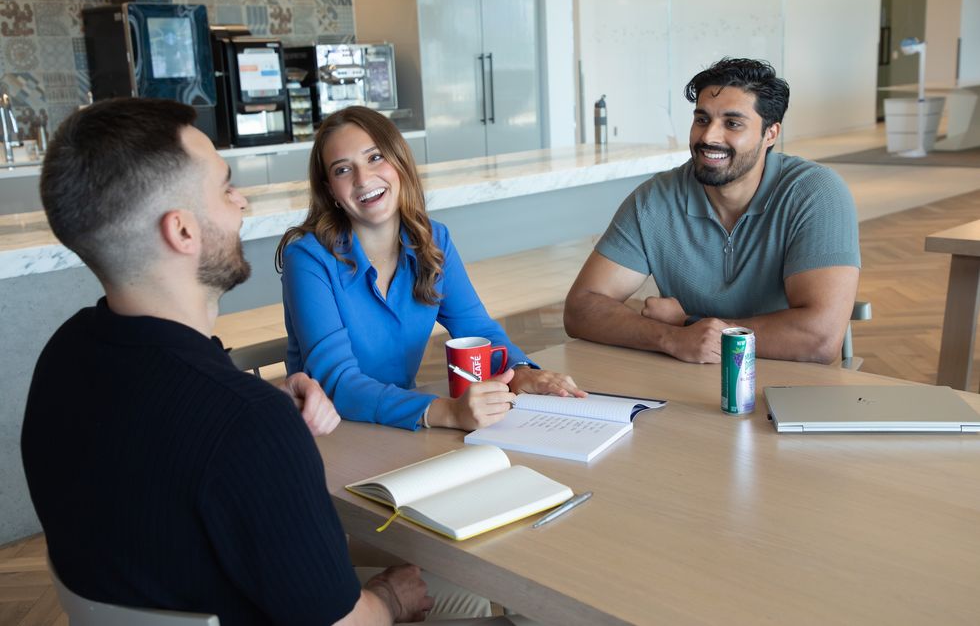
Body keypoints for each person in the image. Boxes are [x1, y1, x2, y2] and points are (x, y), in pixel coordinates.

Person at [20, 97, 492, 625]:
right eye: (225, 188)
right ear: (182, 231)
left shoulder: (62, 358)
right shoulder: (247, 427)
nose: (241, 202)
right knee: (476, 595)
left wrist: (265, 404)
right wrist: (390, 599)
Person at [277, 106, 584, 431]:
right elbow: (337, 383)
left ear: (400, 161)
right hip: (331, 434)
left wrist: (521, 372)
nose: (363, 179)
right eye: (342, 170)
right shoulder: (308, 258)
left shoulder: (433, 239)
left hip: (401, 426)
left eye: (375, 157)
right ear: (330, 191)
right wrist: (447, 413)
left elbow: (479, 331)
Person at [564, 58, 860, 365]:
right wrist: (671, 338)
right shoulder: (656, 198)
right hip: (689, 377)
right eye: (702, 120)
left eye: (732, 124)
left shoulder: (815, 193)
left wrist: (688, 324)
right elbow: (581, 308)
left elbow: (819, 339)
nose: (709, 137)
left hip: (790, 383)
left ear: (770, 134)